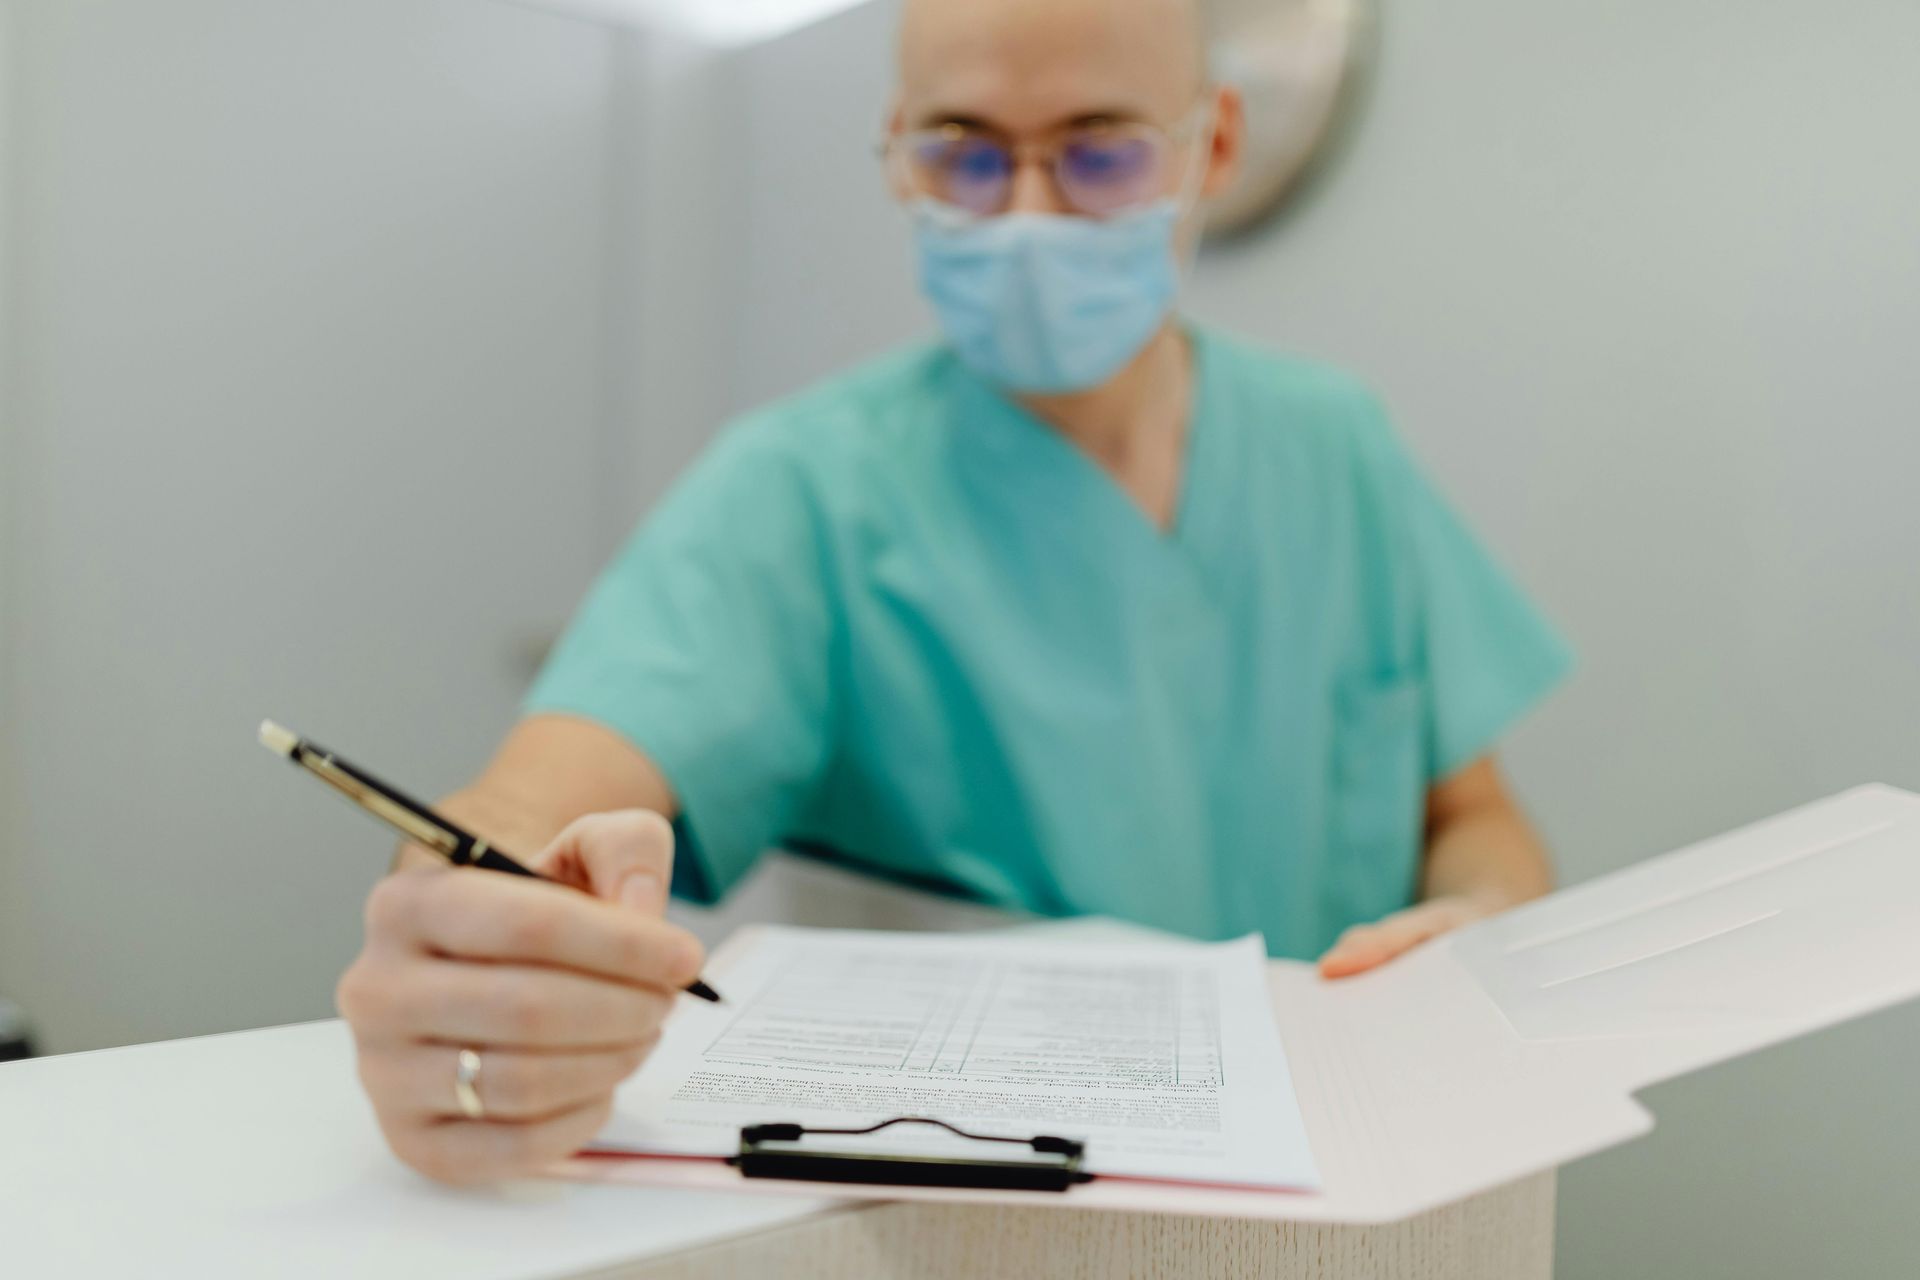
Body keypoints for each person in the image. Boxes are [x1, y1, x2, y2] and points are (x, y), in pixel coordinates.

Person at [335, 0, 1571, 1184]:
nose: (1028, 211)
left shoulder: (1331, 448)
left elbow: (1474, 810)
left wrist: (1481, 913)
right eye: (966, 153)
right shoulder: (806, 492)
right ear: (898, 157)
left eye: (1099, 151)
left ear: (1216, 145)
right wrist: (459, 945)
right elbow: (529, 803)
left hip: (1361, 1159)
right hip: (989, 1209)